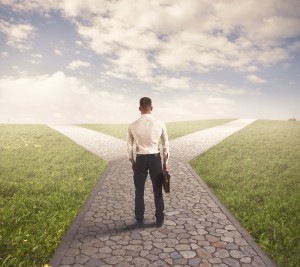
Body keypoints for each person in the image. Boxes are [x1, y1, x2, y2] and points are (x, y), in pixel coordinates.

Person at [127, 97, 169, 228]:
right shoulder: (160, 123)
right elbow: (165, 145)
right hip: (155, 158)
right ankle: (159, 219)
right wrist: (165, 162)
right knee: (157, 190)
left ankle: (139, 219)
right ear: (151, 108)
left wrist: (132, 161)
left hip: (140, 159)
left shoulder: (132, 125)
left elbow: (129, 146)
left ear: (139, 109)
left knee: (139, 191)